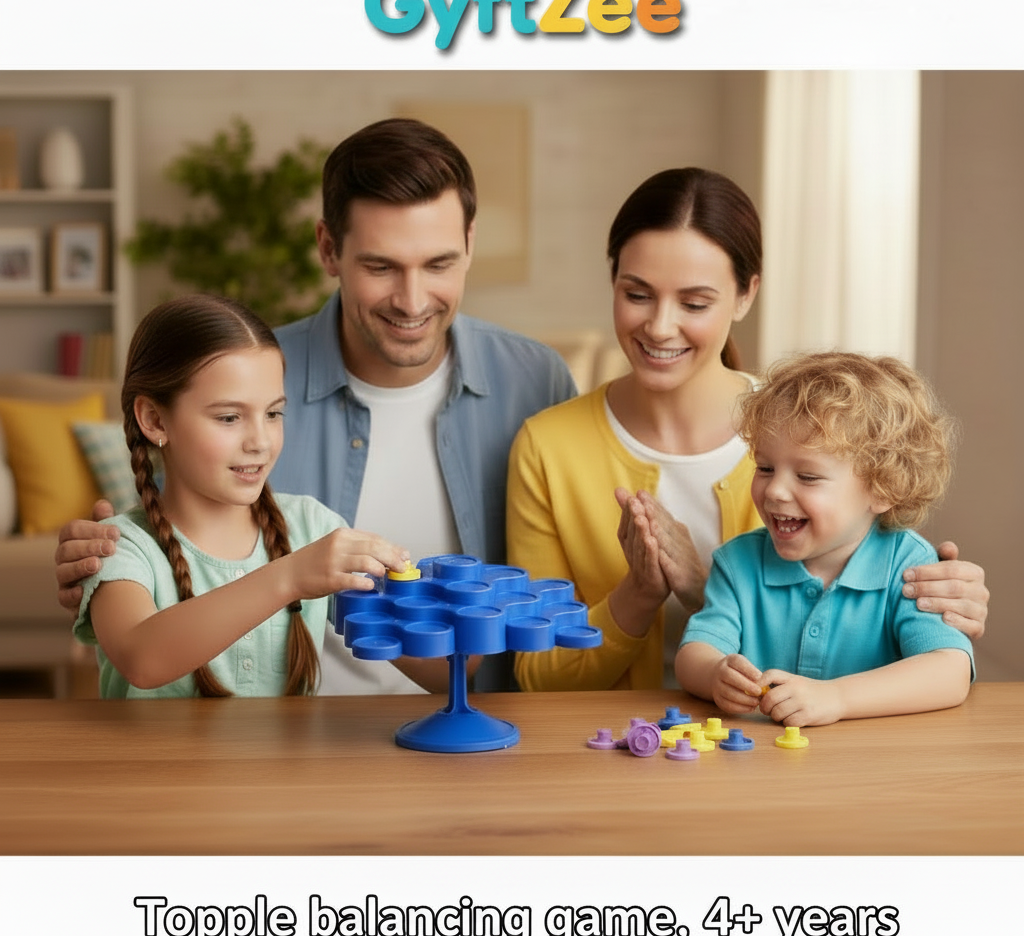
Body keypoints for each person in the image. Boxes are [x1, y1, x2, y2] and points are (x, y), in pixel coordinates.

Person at [55, 118, 577, 694]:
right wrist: (96, 562)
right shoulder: (257, 368)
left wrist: (467, 606)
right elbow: (162, 538)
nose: (412, 300)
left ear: (471, 245)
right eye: (381, 266)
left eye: (439, 263)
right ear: (329, 248)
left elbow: (448, 659)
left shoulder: (537, 382)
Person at [508, 167, 989, 693]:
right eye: (638, 294)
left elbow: (905, 615)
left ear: (745, 294)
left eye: (694, 303)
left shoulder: (815, 429)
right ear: (613, 282)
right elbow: (537, 677)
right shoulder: (547, 447)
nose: (661, 326)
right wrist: (640, 593)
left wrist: (946, 594)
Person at [73, 295, 409, 698]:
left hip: (288, 765)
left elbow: (437, 662)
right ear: (154, 419)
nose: (260, 442)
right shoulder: (120, 547)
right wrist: (290, 576)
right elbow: (141, 659)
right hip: (156, 764)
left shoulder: (313, 527)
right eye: (229, 417)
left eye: (273, 413)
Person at [675, 351, 973, 725]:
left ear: (882, 489)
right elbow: (694, 653)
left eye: (808, 476)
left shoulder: (910, 566)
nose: (775, 491)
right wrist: (714, 674)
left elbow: (950, 672)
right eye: (765, 468)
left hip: (875, 768)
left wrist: (838, 698)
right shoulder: (738, 564)